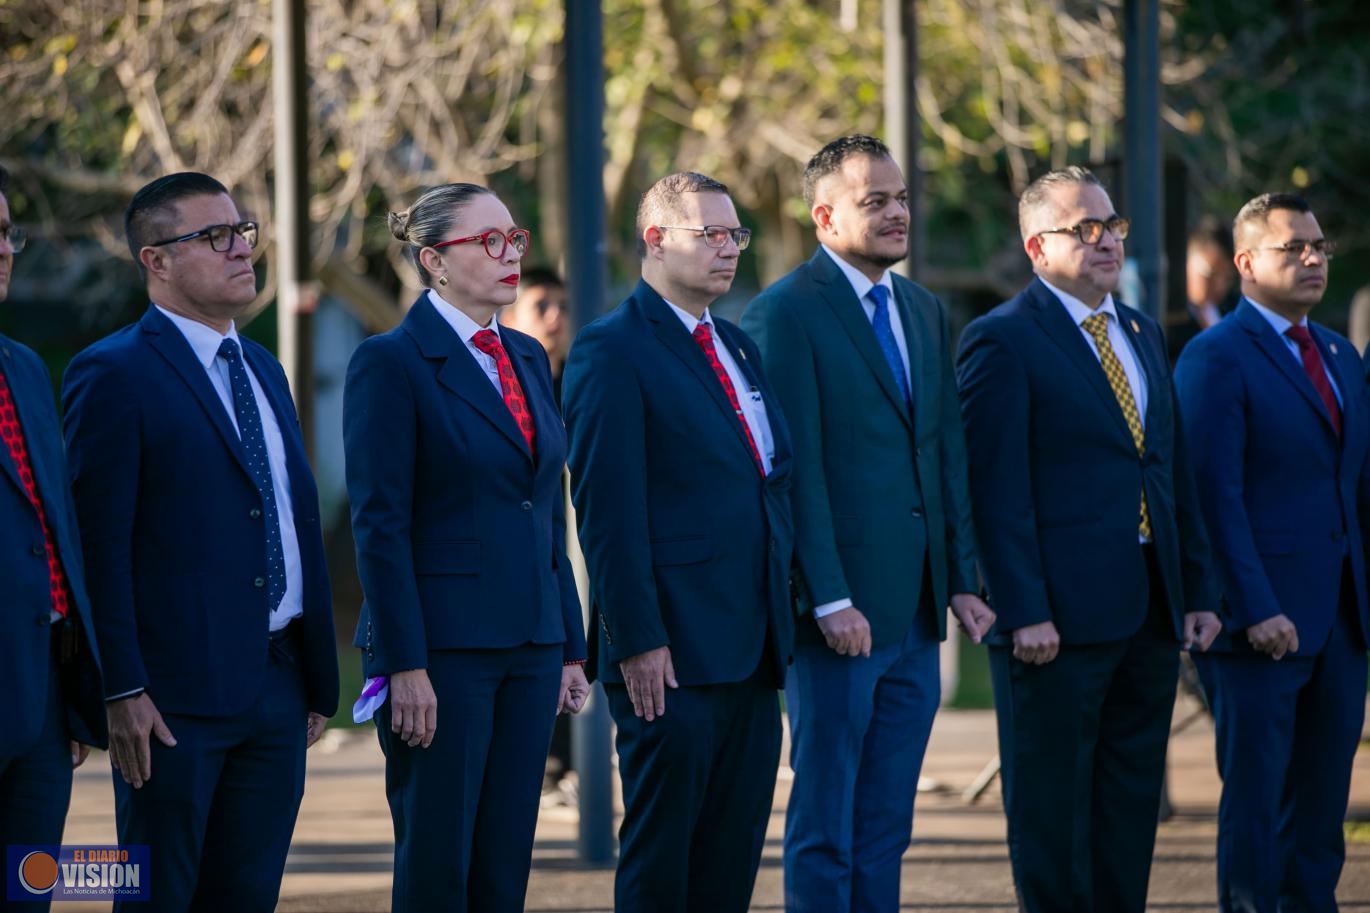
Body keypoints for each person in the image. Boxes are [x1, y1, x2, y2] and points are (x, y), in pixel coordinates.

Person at [62, 172, 339, 913]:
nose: (240, 249)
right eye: (214, 236)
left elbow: (284, 515)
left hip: (278, 685)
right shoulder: (113, 372)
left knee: (247, 896)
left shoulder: (266, 370)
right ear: (156, 259)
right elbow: (99, 546)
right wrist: (120, 687)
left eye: (242, 231)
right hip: (171, 700)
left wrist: (311, 675)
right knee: (157, 897)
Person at [955, 165, 1222, 913]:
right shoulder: (1001, 340)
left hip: (1148, 610)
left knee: (1128, 807)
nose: (1107, 241)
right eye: (1086, 228)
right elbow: (994, 491)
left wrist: (1196, 588)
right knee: (1052, 814)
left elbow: (1168, 472)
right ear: (1038, 247)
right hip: (1055, 624)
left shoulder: (1138, 329)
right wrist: (1021, 607)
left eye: (1113, 226)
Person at [740, 135, 993, 913]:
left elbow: (944, 450)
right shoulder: (784, 312)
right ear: (823, 217)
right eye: (873, 200)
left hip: (916, 614)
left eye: (901, 197)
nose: (896, 212)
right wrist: (826, 595)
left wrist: (962, 579)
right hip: (837, 619)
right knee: (827, 822)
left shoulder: (921, 307)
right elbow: (794, 469)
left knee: (888, 823)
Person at [344, 183, 589, 913]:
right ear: (433, 260)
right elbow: (379, 525)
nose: (509, 252)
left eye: (513, 238)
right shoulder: (390, 362)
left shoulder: (524, 352)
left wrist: (570, 645)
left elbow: (545, 511)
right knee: (437, 862)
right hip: (443, 652)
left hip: (531, 644)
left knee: (504, 859)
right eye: (488, 241)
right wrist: (404, 663)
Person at [562, 171, 794, 913]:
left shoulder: (735, 343)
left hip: (752, 649)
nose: (728, 249)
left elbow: (768, 483)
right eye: (710, 234)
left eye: (736, 234)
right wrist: (637, 641)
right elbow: (608, 511)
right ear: (655, 240)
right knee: (666, 862)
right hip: (671, 655)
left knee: (729, 862)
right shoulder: (611, 349)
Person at [1174, 193, 1368, 913]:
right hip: (1260, 628)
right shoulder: (1215, 356)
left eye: (1319, 245)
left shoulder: (1342, 355)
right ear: (1246, 264)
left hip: (1341, 622)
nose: (1314, 258)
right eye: (1295, 248)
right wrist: (1255, 607)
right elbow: (1209, 496)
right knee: (1257, 810)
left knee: (1321, 811)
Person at [0, 165, 106, 913]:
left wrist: (70, 695)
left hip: (38, 700)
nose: (3, 249)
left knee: (27, 891)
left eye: (6, 233)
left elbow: (53, 531)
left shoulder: (25, 367)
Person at [1169, 216, 1237, 360]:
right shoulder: (1169, 319)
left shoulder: (1234, 310)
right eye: (1210, 274)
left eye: (1227, 277)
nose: (1220, 286)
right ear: (1187, 261)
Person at [498, 265, 571, 400]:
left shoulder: (581, 382)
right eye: (541, 306)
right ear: (508, 320)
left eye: (563, 306)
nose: (555, 314)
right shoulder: (500, 384)